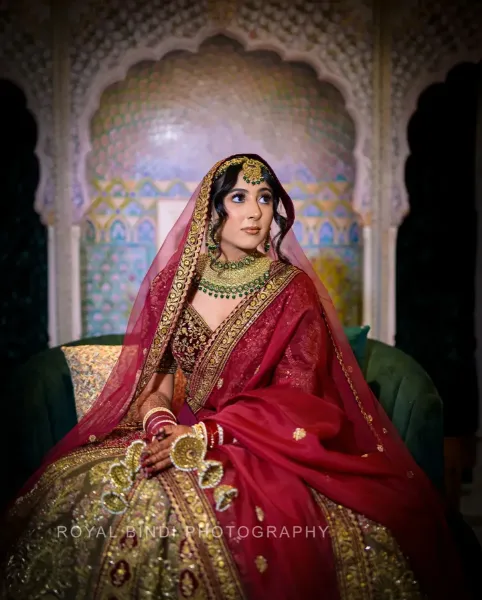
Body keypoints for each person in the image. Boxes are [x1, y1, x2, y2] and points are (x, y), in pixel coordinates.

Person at [0, 155, 471, 599]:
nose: (255, 212)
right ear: (213, 209)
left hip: (264, 442)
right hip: (180, 433)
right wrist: (159, 424)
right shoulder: (174, 286)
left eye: (265, 198)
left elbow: (298, 396)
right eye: (239, 198)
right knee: (89, 492)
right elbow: (159, 377)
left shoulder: (291, 290)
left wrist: (208, 433)